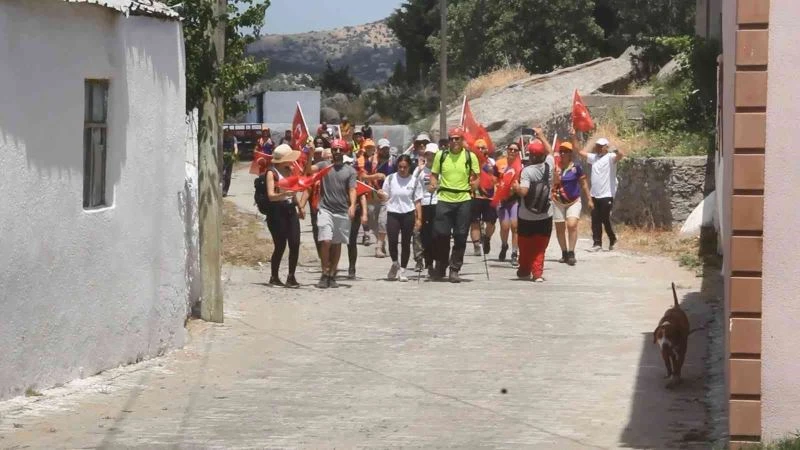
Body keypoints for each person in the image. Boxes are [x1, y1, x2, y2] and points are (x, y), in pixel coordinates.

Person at [428, 127, 480, 283]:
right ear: (448, 140)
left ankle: (454, 269)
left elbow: (476, 176)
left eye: (458, 138)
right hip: (444, 198)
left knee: (460, 235)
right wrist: (432, 184)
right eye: (452, 138)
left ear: (462, 140)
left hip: (463, 198)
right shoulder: (441, 155)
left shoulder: (470, 157)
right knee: (441, 234)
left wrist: (474, 185)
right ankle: (441, 265)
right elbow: (434, 174)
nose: (455, 141)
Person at [311, 139, 358, 288]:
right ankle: (324, 272)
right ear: (331, 151)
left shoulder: (350, 171)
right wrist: (309, 154)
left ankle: (332, 274)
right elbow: (308, 170)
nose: (337, 152)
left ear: (345, 152)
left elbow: (352, 189)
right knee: (325, 241)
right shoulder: (324, 166)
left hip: (341, 210)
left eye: (340, 150)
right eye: (335, 150)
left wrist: (352, 205)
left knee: (337, 244)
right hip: (325, 209)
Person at [511, 129, 554, 283]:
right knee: (540, 246)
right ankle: (537, 273)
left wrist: (515, 187)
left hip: (526, 216)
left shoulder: (527, 171)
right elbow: (551, 151)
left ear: (530, 156)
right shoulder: (549, 166)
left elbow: (523, 192)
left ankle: (524, 269)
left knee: (525, 244)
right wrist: (542, 135)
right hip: (545, 214)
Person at [263, 144, 304, 288]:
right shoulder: (271, 173)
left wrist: (299, 207)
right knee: (280, 245)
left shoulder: (290, 170)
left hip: (290, 209)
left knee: (295, 243)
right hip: (277, 212)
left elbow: (293, 192)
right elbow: (271, 196)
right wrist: (283, 194)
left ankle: (291, 276)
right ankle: (274, 276)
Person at [378, 155, 423, 282]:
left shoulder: (414, 181)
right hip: (393, 212)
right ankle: (395, 262)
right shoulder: (390, 178)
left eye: (405, 167)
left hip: (408, 213)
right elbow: (385, 195)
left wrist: (419, 218)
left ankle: (403, 270)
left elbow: (418, 201)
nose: (402, 169)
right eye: (400, 167)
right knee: (392, 240)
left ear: (409, 167)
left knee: (405, 242)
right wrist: (380, 194)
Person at [577, 136, 624, 251]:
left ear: (605, 148)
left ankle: (612, 239)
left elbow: (621, 155)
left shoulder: (610, 157)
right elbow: (580, 152)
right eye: (597, 146)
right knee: (595, 219)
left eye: (600, 146)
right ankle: (597, 243)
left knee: (605, 218)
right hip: (594, 194)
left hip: (607, 194)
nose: (597, 148)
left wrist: (615, 149)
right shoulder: (594, 158)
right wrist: (573, 136)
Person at [553, 140, 592, 265]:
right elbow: (551, 183)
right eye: (561, 151)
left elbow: (583, 183)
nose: (563, 153)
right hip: (557, 201)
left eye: (566, 151)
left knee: (571, 225)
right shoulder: (555, 167)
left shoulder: (576, 167)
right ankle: (564, 252)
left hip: (573, 201)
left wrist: (589, 199)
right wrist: (555, 177)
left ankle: (571, 252)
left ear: (571, 154)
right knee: (560, 228)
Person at [362, 138, 396, 258]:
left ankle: (378, 247)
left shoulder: (393, 161)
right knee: (371, 221)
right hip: (372, 194)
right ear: (378, 149)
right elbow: (362, 176)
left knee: (382, 221)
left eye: (387, 148)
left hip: (386, 196)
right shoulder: (371, 161)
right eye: (383, 149)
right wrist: (375, 176)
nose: (385, 151)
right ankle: (381, 240)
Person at [412, 142, 439, 272]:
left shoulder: (442, 169)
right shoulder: (420, 171)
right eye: (428, 154)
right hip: (423, 204)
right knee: (420, 233)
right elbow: (414, 187)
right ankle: (420, 260)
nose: (431, 156)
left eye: (433, 154)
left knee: (436, 235)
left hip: (438, 203)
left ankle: (434, 261)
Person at [470, 139, 498, 257]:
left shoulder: (491, 162)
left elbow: (496, 177)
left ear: (487, 149)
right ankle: (476, 245)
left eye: (483, 148)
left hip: (489, 196)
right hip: (475, 195)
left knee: (491, 222)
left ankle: (487, 238)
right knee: (474, 221)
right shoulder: (470, 161)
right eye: (478, 148)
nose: (480, 150)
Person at [497, 142, 521, 267]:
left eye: (515, 150)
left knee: (515, 226)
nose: (512, 151)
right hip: (502, 200)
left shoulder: (520, 166)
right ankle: (504, 245)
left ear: (518, 152)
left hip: (514, 200)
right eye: (510, 149)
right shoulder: (500, 163)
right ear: (507, 150)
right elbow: (494, 178)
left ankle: (514, 253)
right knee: (504, 226)